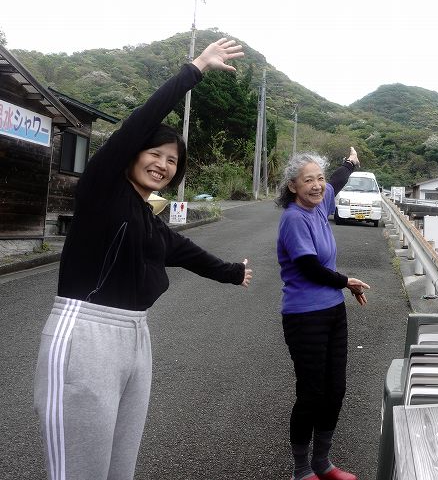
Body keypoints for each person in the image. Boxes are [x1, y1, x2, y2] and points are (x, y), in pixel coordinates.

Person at [32, 38, 254, 480]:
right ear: (132, 154)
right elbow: (140, 121)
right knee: (78, 469)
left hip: (135, 336)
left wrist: (232, 273)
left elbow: (183, 251)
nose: (164, 165)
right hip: (86, 333)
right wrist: (196, 69)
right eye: (155, 153)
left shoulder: (146, 218)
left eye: (173, 161)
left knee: (119, 466)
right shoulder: (102, 190)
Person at [276, 148, 371, 480]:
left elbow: (336, 182)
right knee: (311, 393)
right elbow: (309, 266)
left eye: (317, 179)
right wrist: (347, 281)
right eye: (307, 180)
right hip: (304, 316)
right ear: (292, 186)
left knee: (335, 390)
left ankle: (322, 463)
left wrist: (351, 163)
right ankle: (301, 470)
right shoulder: (294, 218)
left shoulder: (320, 204)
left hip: (333, 312)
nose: (316, 186)